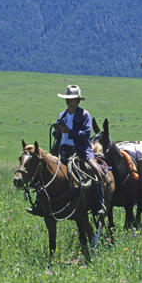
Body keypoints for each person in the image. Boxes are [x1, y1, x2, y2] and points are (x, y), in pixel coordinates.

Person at [27, 85, 107, 216]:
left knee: (94, 170)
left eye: (71, 98)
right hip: (61, 151)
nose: (68, 101)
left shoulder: (84, 115)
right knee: (42, 169)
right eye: (67, 98)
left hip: (79, 151)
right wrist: (57, 130)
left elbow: (86, 135)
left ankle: (99, 202)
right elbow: (57, 136)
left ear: (77, 100)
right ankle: (39, 204)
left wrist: (69, 131)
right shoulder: (62, 115)